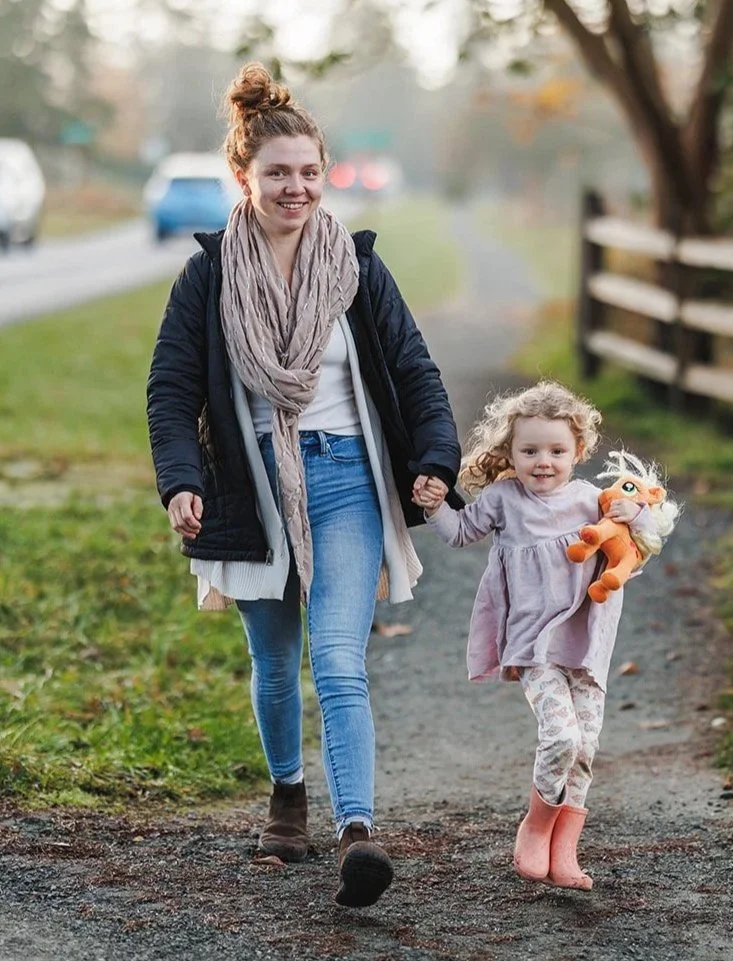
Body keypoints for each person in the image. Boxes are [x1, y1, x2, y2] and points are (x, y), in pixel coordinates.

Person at [145, 62, 462, 909]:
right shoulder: (209, 277)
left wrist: (435, 458)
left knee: (339, 660)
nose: (297, 188)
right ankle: (289, 792)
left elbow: (414, 371)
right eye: (278, 173)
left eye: (310, 172)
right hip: (249, 484)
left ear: (326, 174)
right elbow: (172, 389)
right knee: (275, 661)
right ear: (243, 177)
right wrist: (180, 479)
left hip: (347, 476)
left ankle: (358, 829)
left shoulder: (356, 268)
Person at [412, 381, 679, 890]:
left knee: (586, 746)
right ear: (509, 452)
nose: (543, 461)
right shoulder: (503, 499)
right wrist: (435, 503)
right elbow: (459, 532)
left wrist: (635, 513)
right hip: (534, 645)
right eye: (529, 450)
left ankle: (565, 849)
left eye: (556, 451)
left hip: (586, 643)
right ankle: (535, 828)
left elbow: (640, 545)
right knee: (561, 736)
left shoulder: (591, 501)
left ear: (578, 452)